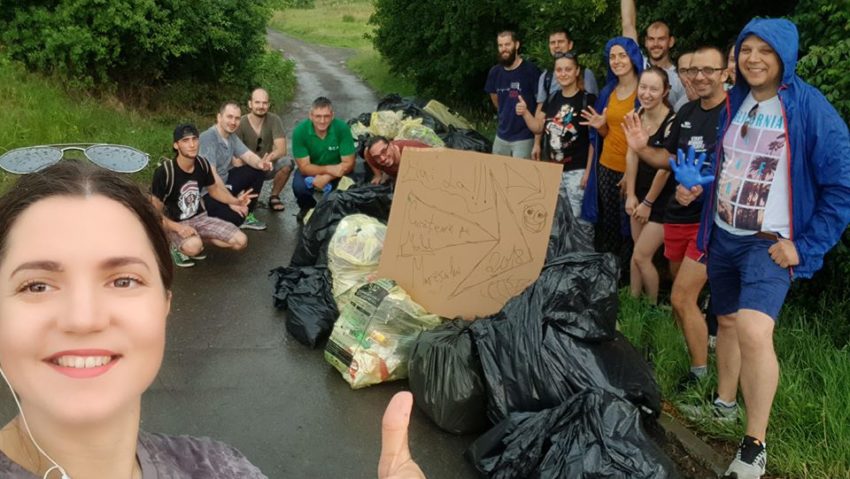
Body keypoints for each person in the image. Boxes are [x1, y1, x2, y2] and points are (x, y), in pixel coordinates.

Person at [0, 160, 425, 479]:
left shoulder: (220, 469)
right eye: (37, 286)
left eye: (124, 280)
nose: (84, 317)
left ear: (165, 302)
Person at [673, 19, 850, 478]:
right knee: (727, 321)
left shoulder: (811, 110)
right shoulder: (736, 101)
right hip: (722, 234)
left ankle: (754, 446)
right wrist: (698, 191)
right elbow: (728, 162)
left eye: (764, 51)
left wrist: (806, 247)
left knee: (752, 330)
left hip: (768, 245)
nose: (753, 58)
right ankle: (724, 404)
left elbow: (842, 187)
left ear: (784, 55)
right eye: (746, 49)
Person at [622, 46, 729, 392]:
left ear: (725, 73)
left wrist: (700, 190)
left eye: (708, 70)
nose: (699, 77)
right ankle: (700, 342)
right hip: (678, 215)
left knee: (682, 296)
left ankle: (700, 374)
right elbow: (668, 159)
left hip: (710, 221)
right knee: (680, 288)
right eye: (693, 71)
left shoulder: (734, 113)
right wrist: (640, 147)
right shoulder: (687, 111)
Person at [515, 51, 596, 242]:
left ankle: (584, 261)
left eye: (568, 69)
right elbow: (538, 127)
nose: (563, 73)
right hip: (553, 170)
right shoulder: (552, 99)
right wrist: (526, 113)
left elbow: (594, 140)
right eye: (559, 70)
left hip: (577, 170)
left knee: (580, 222)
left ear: (577, 71)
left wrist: (588, 172)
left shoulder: (587, 100)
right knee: (557, 220)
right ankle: (562, 263)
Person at [151, 124, 251, 268]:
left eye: (194, 139)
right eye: (185, 141)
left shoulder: (202, 164)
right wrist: (177, 228)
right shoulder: (165, 172)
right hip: (175, 223)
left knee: (241, 241)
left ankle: (199, 237)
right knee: (193, 247)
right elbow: (154, 212)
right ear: (176, 145)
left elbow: (214, 190)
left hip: (200, 218)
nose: (192, 145)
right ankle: (175, 246)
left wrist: (236, 201)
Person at [579, 36, 642, 260]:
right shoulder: (608, 92)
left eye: (622, 55)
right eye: (612, 56)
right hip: (605, 166)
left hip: (631, 170)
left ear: (633, 58)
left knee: (629, 223)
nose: (616, 61)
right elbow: (606, 134)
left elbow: (648, 137)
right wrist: (601, 127)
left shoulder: (644, 92)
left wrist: (630, 173)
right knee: (610, 222)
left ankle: (627, 275)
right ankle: (609, 271)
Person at [623, 67, 676, 304]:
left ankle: (652, 307)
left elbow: (665, 168)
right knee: (636, 253)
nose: (647, 93)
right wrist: (631, 195)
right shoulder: (637, 114)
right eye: (643, 87)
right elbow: (632, 155)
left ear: (665, 91)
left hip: (662, 199)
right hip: (639, 193)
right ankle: (634, 302)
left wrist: (647, 203)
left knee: (642, 256)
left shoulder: (673, 121)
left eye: (654, 88)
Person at [199, 101, 273, 231]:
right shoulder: (208, 138)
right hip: (209, 192)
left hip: (225, 183)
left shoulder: (231, 136)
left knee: (257, 170)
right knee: (236, 218)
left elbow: (248, 155)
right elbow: (212, 177)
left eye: (237, 118)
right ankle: (209, 215)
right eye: (229, 117)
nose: (233, 122)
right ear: (219, 117)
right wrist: (232, 202)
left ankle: (248, 213)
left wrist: (261, 163)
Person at [291, 97, 356, 223]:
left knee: (351, 187)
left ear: (332, 116)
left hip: (337, 172)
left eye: (326, 116)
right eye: (318, 116)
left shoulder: (342, 128)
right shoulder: (300, 131)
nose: (322, 121)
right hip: (314, 170)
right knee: (299, 187)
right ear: (310, 116)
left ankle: (333, 210)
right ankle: (307, 207)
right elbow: (304, 167)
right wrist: (328, 169)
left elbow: (349, 163)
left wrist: (327, 177)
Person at [484, 30, 541, 159]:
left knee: (519, 178)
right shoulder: (495, 72)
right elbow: (495, 99)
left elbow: (541, 106)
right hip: (501, 137)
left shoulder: (531, 71)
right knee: (496, 177)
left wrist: (537, 142)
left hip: (524, 138)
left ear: (517, 45)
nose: (504, 49)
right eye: (500, 45)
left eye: (507, 44)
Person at [235, 88, 293, 212]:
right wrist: (255, 163)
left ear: (268, 104)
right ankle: (240, 195)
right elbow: (235, 153)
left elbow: (282, 149)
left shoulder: (274, 120)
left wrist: (268, 159)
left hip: (268, 165)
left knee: (287, 162)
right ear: (250, 104)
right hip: (247, 166)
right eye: (257, 102)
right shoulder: (240, 122)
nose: (261, 106)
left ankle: (274, 196)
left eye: (264, 103)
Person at [620, 0, 685, 109]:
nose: (655, 44)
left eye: (661, 39)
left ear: (671, 41)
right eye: (651, 39)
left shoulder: (680, 77)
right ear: (645, 41)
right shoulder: (638, 63)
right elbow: (628, 25)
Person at [363, 136, 430, 184]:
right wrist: (378, 175)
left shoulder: (414, 150)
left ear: (391, 145)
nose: (383, 159)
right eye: (377, 157)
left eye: (384, 151)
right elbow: (366, 152)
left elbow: (438, 157)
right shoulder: (371, 155)